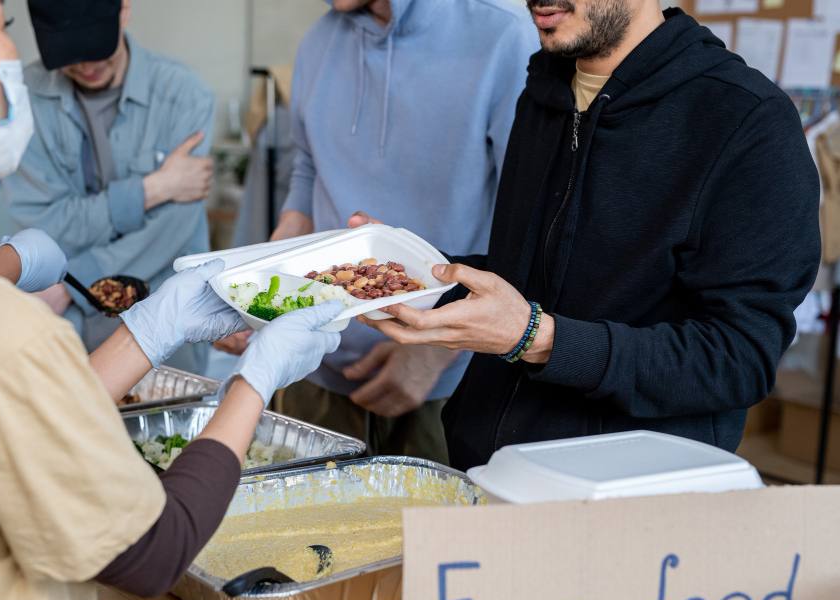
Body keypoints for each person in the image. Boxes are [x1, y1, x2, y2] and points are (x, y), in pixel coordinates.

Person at [0, 2, 340, 600]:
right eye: (1, 25)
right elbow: (155, 549)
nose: (13, 58)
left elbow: (6, 408)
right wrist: (255, 378)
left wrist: (151, 325)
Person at [349, 0, 821, 470]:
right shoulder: (545, 91)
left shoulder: (748, 119)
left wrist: (537, 337)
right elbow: (536, 274)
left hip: (622, 497)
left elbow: (739, 359)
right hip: (486, 467)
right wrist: (402, 267)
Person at [218, 0, 540, 464]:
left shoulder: (505, 36)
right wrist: (257, 295)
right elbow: (309, 173)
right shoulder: (319, 39)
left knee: (429, 534)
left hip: (443, 376)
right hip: (313, 365)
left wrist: (436, 349)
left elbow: (530, 215)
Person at [3, 0, 216, 372]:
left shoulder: (184, 94)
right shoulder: (25, 99)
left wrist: (75, 283)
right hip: (65, 330)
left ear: (125, 10)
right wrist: (152, 189)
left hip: (164, 322)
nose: (86, 66)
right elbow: (49, 225)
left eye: (96, 49)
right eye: (69, 54)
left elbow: (170, 234)